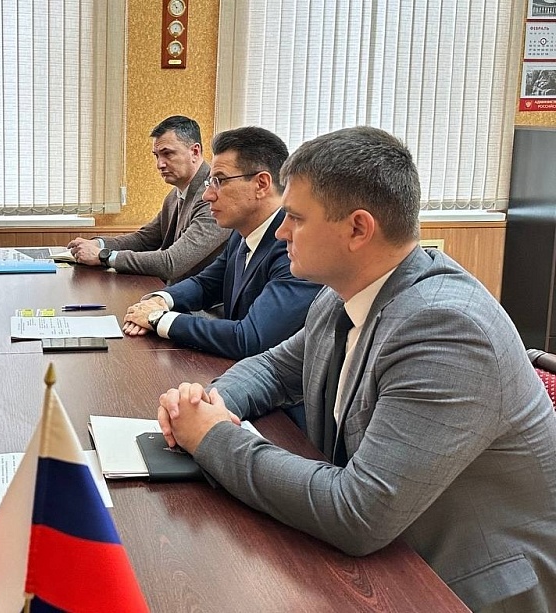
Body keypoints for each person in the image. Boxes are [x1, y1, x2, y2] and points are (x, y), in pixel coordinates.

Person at [157, 126, 556, 612]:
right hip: (390, 554)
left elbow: (358, 512)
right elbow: (273, 368)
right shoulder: (343, 294)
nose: (280, 232)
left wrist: (213, 437)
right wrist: (209, 402)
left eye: (296, 218)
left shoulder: (445, 327)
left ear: (358, 229)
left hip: (463, 585)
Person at [121, 126, 321, 361]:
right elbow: (205, 284)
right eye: (210, 182)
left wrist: (158, 319)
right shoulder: (242, 232)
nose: (208, 195)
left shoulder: (294, 246)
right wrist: (160, 300)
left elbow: (249, 338)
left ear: (261, 184)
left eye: (220, 181)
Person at [67, 115, 231, 284]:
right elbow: (144, 239)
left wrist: (104, 256)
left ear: (195, 152)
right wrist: (99, 244)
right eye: (157, 156)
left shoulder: (213, 197)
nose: (160, 164)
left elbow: (172, 262)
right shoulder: (174, 195)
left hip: (198, 297)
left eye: (167, 154)